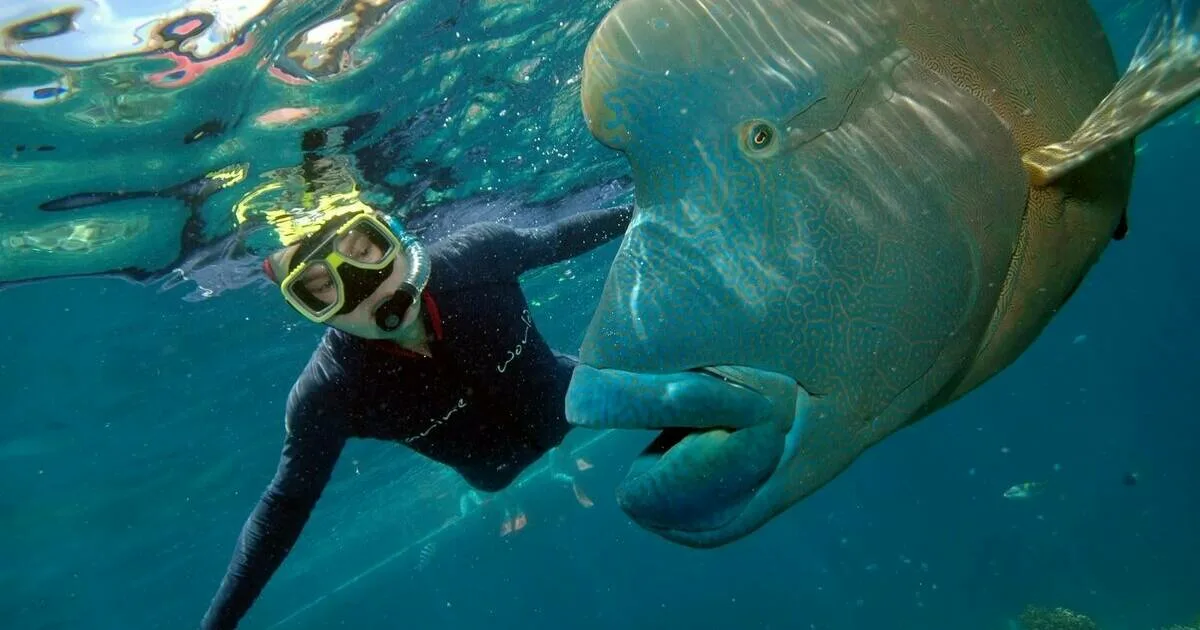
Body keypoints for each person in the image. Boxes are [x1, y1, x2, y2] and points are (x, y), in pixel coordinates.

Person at [200, 200, 632, 629]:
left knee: (643, 388)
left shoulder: (477, 258)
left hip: (569, 399)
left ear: (394, 235)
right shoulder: (330, 392)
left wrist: (654, 206)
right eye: (322, 285)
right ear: (310, 309)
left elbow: (561, 236)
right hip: (498, 470)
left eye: (363, 250)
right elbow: (285, 504)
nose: (364, 285)